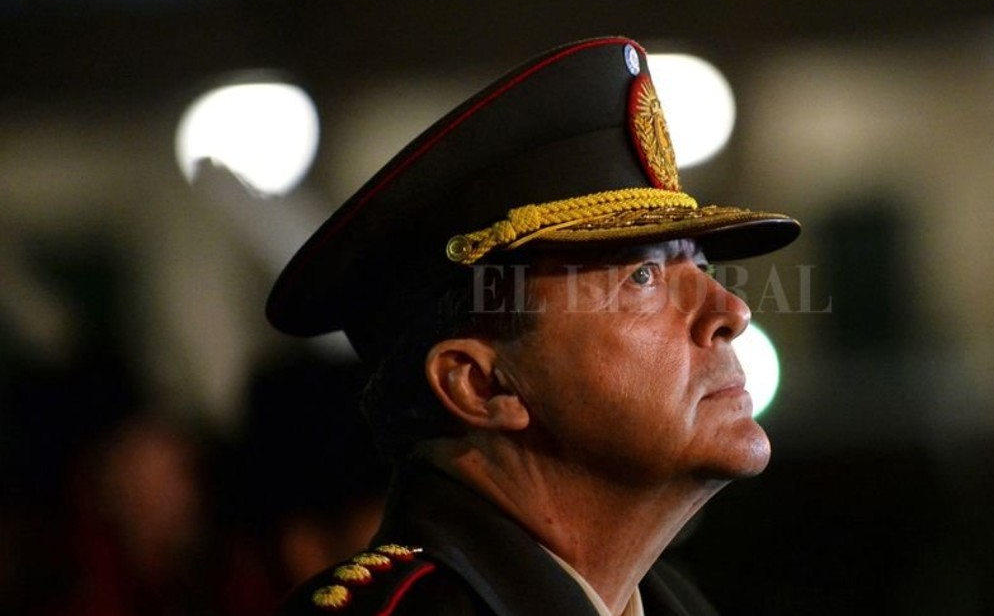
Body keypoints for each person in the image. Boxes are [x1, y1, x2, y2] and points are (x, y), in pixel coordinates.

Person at [265, 37, 800, 615]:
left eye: (700, 266)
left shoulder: (679, 605)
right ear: (481, 384)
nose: (732, 312)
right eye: (643, 276)